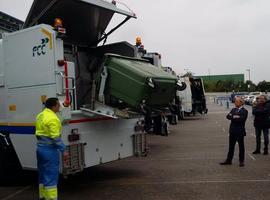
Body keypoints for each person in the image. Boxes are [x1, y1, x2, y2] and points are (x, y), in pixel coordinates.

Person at [35, 98, 66, 200]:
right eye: (58, 105)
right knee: (51, 176)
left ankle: (43, 196)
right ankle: (51, 198)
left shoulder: (40, 115)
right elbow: (55, 138)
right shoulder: (53, 118)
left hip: (40, 149)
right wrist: (64, 150)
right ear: (53, 106)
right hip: (49, 151)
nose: (59, 106)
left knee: (43, 173)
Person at [220, 97, 248, 167]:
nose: (235, 103)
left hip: (240, 131)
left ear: (241, 103)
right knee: (231, 147)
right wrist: (235, 117)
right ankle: (229, 160)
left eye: (236, 101)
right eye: (235, 101)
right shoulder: (233, 109)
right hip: (232, 131)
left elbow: (242, 119)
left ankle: (241, 161)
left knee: (241, 147)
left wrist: (233, 116)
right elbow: (228, 116)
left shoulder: (244, 111)